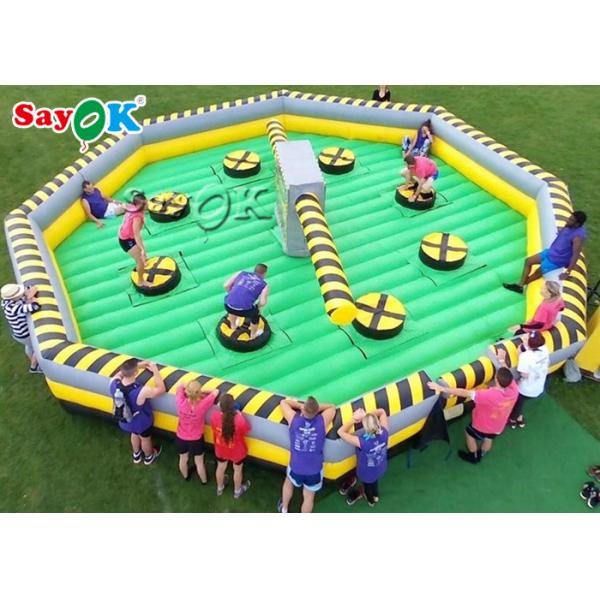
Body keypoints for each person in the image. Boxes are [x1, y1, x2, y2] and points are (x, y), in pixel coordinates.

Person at [428, 354, 519, 464]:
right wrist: (501, 359)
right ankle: (482, 452)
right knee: (489, 438)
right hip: (498, 426)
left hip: (482, 425)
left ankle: (473, 456)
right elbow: (507, 373)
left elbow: (464, 392)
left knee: (469, 434)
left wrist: (442, 388)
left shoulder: (488, 395)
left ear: (496, 379)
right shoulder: (514, 390)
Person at [277, 396, 336, 513]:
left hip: (296, 467)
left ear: (303, 410)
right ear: (317, 410)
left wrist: (300, 406)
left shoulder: (294, 419)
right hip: (314, 470)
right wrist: (315, 409)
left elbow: (283, 402)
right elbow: (332, 407)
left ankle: (284, 508)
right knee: (309, 497)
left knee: (288, 482)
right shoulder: (322, 421)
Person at [503, 211, 587, 294]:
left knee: (537, 272)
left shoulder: (577, 237)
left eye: (571, 220)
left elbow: (576, 254)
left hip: (556, 260)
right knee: (528, 261)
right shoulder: (569, 226)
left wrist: (568, 272)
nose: (568, 220)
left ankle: (520, 286)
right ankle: (520, 285)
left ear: (577, 224)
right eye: (569, 218)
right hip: (551, 252)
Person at [110, 359, 164, 465]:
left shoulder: (114, 384)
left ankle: (136, 454)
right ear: (136, 373)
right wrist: (155, 370)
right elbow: (161, 389)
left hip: (126, 421)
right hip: (141, 422)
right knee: (145, 438)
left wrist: (136, 366)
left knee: (134, 434)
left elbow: (119, 374)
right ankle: (149, 456)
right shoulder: (142, 391)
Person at [337, 408, 389, 507]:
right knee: (374, 482)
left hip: (366, 473)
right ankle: (375, 496)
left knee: (368, 487)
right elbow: (382, 411)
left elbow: (340, 432)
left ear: (365, 428)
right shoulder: (385, 432)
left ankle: (371, 501)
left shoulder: (362, 442)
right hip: (380, 467)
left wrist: (354, 419)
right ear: (377, 422)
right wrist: (367, 416)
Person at [175, 381, 219, 483]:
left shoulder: (180, 401)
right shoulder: (202, 404)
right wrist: (202, 391)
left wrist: (189, 389)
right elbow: (216, 391)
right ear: (198, 393)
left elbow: (180, 385)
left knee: (183, 459)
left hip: (181, 437)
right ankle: (204, 481)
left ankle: (186, 476)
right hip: (196, 439)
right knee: (199, 462)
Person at [210, 394, 252, 499]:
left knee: (220, 468)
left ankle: (220, 488)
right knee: (237, 470)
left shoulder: (215, 416)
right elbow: (247, 429)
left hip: (221, 449)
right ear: (233, 406)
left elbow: (214, 428)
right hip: (237, 452)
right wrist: (240, 415)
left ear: (220, 407)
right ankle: (237, 491)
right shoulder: (239, 420)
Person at [507, 332, 550, 429]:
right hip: (539, 385)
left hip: (526, 389)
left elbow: (524, 374)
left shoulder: (525, 357)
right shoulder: (544, 349)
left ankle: (513, 420)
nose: (525, 337)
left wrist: (519, 355)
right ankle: (519, 418)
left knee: (517, 403)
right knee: (520, 403)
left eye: (526, 338)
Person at [1, 283, 42, 373]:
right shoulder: (13, 308)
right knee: (39, 347)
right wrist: (30, 297)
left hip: (18, 333)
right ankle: (33, 367)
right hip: (24, 334)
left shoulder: (7, 301)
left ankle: (34, 363)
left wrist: (28, 293)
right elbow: (35, 306)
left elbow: (30, 287)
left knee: (30, 346)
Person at [224, 263, 269, 340]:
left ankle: (233, 325)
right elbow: (262, 302)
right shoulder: (264, 285)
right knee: (256, 314)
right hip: (244, 311)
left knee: (232, 304)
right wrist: (257, 307)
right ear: (264, 273)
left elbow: (226, 285)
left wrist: (232, 294)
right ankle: (253, 335)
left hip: (228, 305)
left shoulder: (241, 273)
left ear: (254, 270)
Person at [118, 192, 148, 287]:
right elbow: (136, 234)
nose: (148, 204)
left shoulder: (131, 207)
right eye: (146, 203)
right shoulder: (137, 217)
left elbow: (123, 206)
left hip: (126, 236)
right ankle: (141, 281)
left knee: (143, 257)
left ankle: (143, 265)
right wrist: (142, 249)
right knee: (140, 260)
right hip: (127, 240)